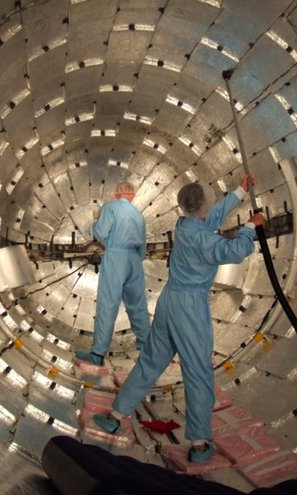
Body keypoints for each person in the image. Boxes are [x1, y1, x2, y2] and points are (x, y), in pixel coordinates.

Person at [92, 175, 265, 464]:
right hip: (189, 306)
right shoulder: (203, 237)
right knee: (197, 370)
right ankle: (198, 444)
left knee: (150, 361)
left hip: (168, 301)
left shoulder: (186, 226)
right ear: (203, 206)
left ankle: (115, 415)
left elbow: (212, 218)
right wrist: (250, 228)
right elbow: (232, 251)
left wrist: (240, 192)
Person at [75, 181, 150, 366]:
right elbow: (143, 248)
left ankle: (98, 354)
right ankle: (148, 349)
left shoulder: (109, 207)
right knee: (138, 305)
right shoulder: (138, 216)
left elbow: (100, 233)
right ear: (132, 194)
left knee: (108, 305)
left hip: (116, 257)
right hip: (134, 261)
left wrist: (96, 219)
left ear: (117, 193)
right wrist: (134, 262)